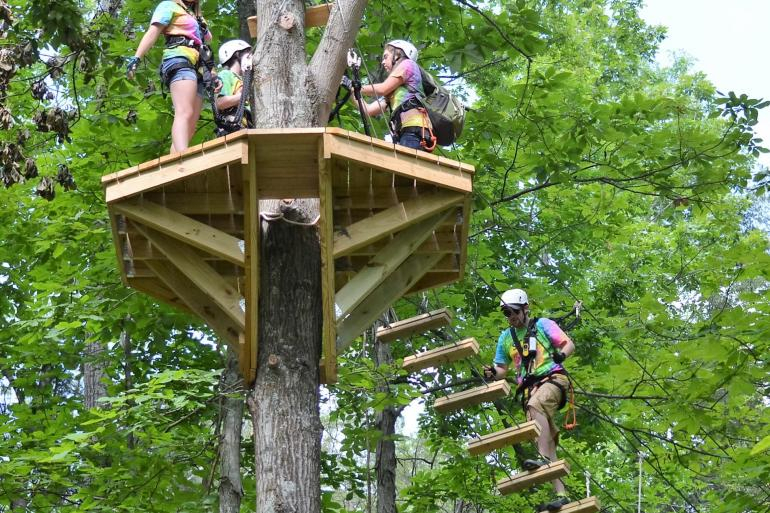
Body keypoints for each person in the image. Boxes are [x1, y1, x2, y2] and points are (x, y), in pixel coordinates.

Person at [484, 288, 575, 512]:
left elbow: (568, 343)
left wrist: (560, 355)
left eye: (514, 312)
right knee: (546, 438)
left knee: (537, 405)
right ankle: (562, 495)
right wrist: (491, 373)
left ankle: (542, 459)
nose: (511, 317)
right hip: (529, 389)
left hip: (554, 380)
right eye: (507, 313)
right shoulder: (506, 338)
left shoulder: (542, 325)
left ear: (525, 309)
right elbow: (501, 369)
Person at [126, 0, 212, 153]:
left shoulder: (196, 16)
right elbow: (153, 32)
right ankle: (183, 159)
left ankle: (175, 165)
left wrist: (212, 74)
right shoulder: (169, 6)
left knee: (190, 125)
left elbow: (206, 43)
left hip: (199, 66)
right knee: (184, 111)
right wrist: (136, 58)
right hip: (179, 58)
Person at [356, 40, 436, 152]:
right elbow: (368, 110)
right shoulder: (396, 91)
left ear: (398, 54)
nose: (383, 62)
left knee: (408, 166)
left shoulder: (408, 64)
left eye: (386, 57)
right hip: (406, 133)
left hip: (414, 131)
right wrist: (351, 91)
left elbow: (382, 88)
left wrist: (356, 86)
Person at [215, 39, 252, 135]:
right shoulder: (225, 74)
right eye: (248, 54)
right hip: (233, 128)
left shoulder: (246, 80)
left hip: (248, 127)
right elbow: (220, 103)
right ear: (237, 54)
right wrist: (243, 96)